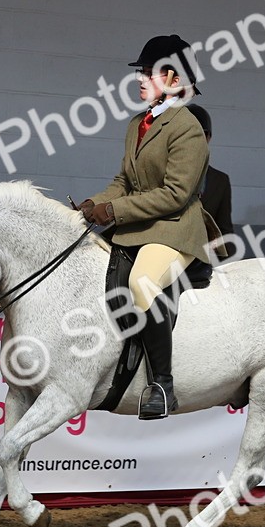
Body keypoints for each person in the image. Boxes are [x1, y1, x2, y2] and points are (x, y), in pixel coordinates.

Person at [79, 34, 220, 420]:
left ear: (173, 79)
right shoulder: (136, 124)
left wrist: (115, 210)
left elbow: (175, 195)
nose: (140, 78)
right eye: (141, 71)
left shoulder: (187, 127)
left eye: (148, 72)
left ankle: (162, 384)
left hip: (174, 230)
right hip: (137, 227)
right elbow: (124, 181)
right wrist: (97, 203)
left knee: (141, 283)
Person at [186, 104, 234, 241]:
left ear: (208, 138)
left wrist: (231, 261)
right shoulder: (161, 172)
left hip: (204, 257)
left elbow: (224, 230)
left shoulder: (220, 181)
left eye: (200, 134)